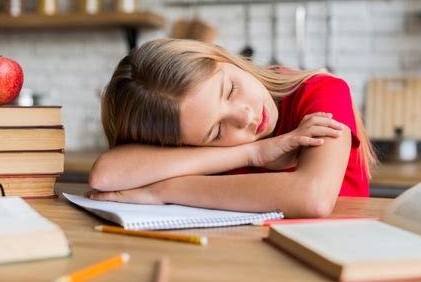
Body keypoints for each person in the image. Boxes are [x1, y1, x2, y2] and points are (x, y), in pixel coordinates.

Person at [87, 38, 376, 218]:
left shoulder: (320, 91)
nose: (245, 116)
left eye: (230, 90)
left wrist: (164, 190)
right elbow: (105, 174)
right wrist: (253, 153)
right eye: (216, 132)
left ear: (224, 57)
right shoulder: (220, 143)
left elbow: (312, 198)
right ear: (188, 146)